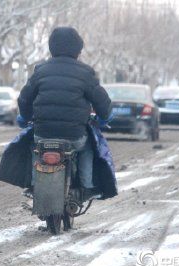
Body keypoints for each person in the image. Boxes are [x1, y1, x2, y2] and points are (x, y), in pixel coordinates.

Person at [17, 26, 112, 196]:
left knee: (33, 145)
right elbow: (102, 102)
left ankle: (33, 185)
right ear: (78, 49)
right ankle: (87, 187)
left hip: (43, 134)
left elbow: (24, 99)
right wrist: (104, 118)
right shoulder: (85, 73)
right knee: (88, 147)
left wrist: (24, 117)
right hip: (75, 137)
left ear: (51, 47)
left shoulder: (40, 71)